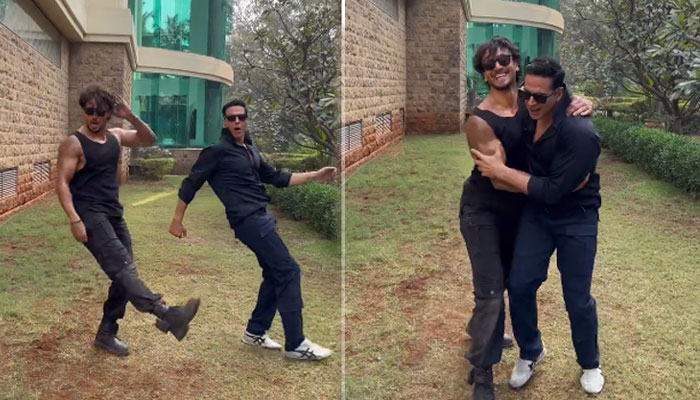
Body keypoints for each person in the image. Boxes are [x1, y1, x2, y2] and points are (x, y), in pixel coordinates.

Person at [460, 37, 591, 400]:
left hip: (522, 209)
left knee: (506, 284)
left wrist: (584, 102)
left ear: (516, 63)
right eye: (489, 64)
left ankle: (481, 330)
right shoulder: (479, 121)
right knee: (491, 293)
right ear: (484, 74)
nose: (498, 67)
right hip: (483, 210)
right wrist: (557, 185)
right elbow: (498, 180)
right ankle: (482, 373)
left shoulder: (534, 100)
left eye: (504, 59)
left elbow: (565, 102)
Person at [170, 99, 336, 361]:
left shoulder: (250, 150)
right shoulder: (216, 152)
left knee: (273, 273)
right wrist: (177, 220)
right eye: (231, 118)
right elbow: (191, 184)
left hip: (262, 218)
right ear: (225, 122)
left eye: (241, 117)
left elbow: (277, 178)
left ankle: (255, 331)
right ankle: (296, 343)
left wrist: (315, 175)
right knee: (289, 270)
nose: (237, 121)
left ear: (246, 120)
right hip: (249, 221)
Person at [56, 86, 200, 357]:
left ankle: (106, 334)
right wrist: (74, 219)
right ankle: (167, 314)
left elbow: (148, 139)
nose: (94, 116)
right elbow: (62, 182)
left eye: (100, 112)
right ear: (84, 110)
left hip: (114, 214)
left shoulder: (116, 136)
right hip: (89, 215)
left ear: (108, 114)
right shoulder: (74, 143)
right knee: (123, 270)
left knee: (124, 273)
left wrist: (131, 116)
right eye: (89, 111)